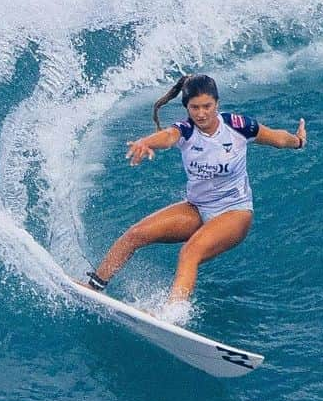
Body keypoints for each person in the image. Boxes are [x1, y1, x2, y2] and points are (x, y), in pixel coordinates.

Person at [85, 73, 306, 303]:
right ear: (186, 107)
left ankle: (172, 315)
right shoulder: (186, 130)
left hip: (235, 211)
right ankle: (94, 286)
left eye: (207, 106)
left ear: (217, 104)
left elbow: (278, 139)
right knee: (135, 234)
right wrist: (146, 142)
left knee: (190, 252)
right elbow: (169, 137)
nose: (201, 113)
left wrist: (298, 141)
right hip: (197, 208)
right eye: (195, 107)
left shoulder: (238, 126)